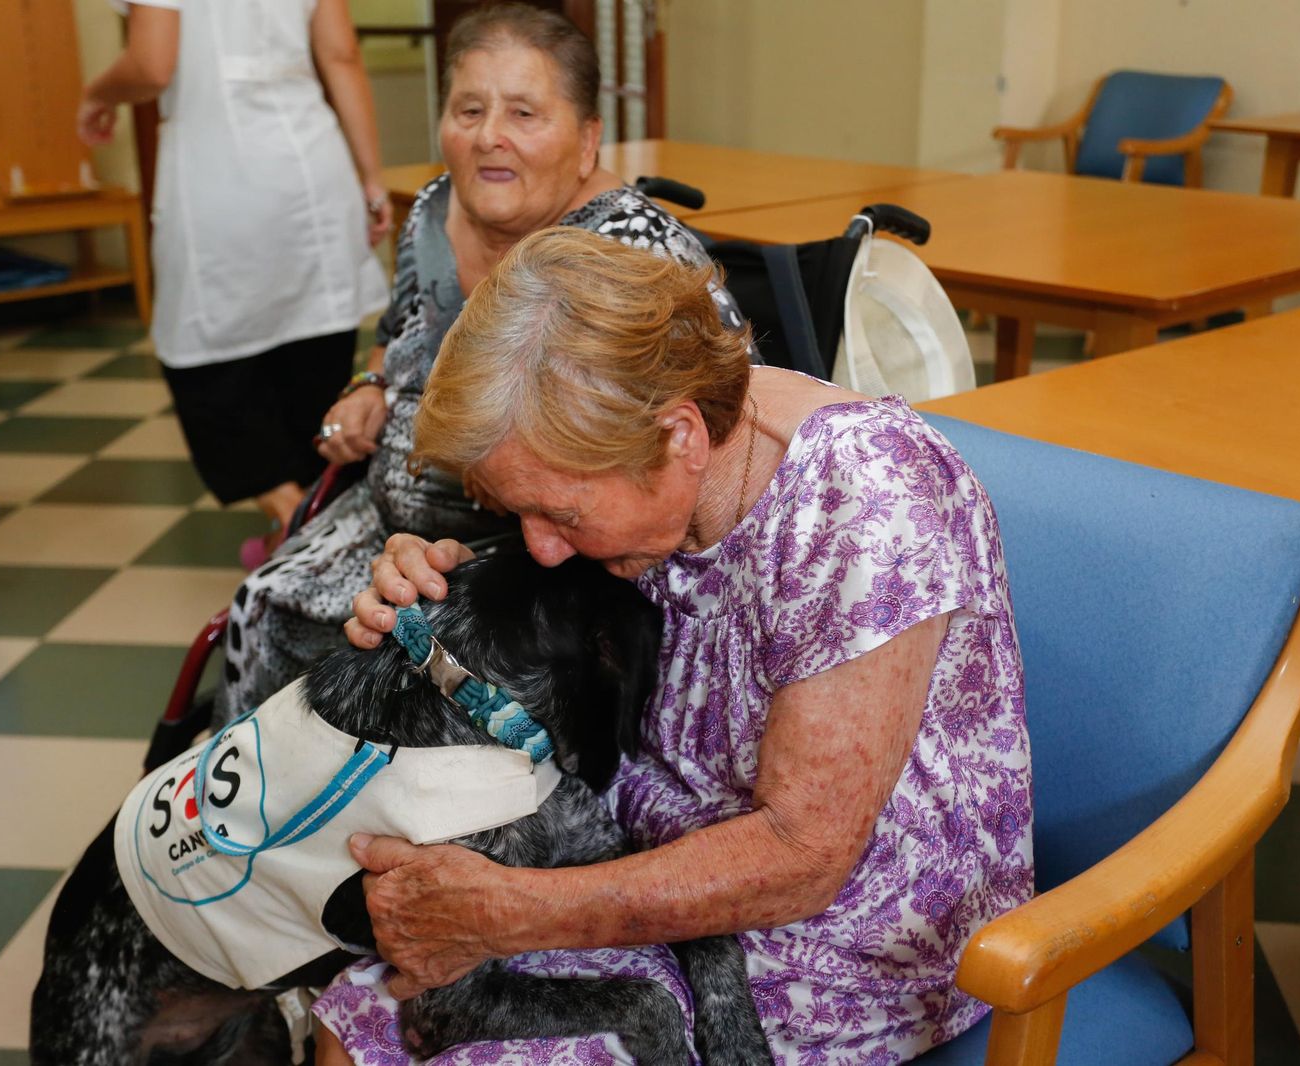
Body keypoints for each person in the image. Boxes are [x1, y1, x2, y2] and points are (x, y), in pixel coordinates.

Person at [316, 228, 1034, 1063]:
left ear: (681, 437)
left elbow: (802, 857)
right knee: (352, 1021)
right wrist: (427, 599)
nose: (539, 547)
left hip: (840, 942)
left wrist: (508, 911)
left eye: (563, 516)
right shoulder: (625, 447)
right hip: (638, 857)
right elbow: (542, 610)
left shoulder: (864, 504)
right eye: (519, 513)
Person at [213, 2, 746, 726]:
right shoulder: (434, 209)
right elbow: (400, 325)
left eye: (525, 113)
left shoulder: (636, 258)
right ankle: (264, 815)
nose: (490, 136)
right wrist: (371, 382)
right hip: (390, 521)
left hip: (546, 550)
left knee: (400, 678)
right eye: (469, 109)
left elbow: (718, 427)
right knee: (263, 605)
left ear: (587, 139)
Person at [79, 0, 392, 559]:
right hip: (310, 169)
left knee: (205, 366)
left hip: (217, 173)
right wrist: (370, 176)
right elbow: (341, 55)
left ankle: (300, 528)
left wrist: (97, 92)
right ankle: (311, 531)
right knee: (312, 361)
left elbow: (151, 65)